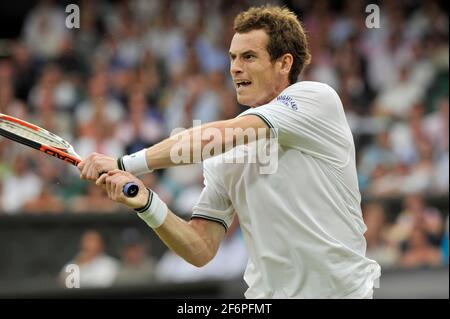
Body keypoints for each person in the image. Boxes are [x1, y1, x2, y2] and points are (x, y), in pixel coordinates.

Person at [79, 6, 381, 298]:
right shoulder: (226, 151)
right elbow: (200, 249)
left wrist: (126, 162)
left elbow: (215, 137)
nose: (236, 67)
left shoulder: (316, 99)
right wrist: (145, 202)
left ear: (284, 63)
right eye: (233, 57)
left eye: (249, 57)